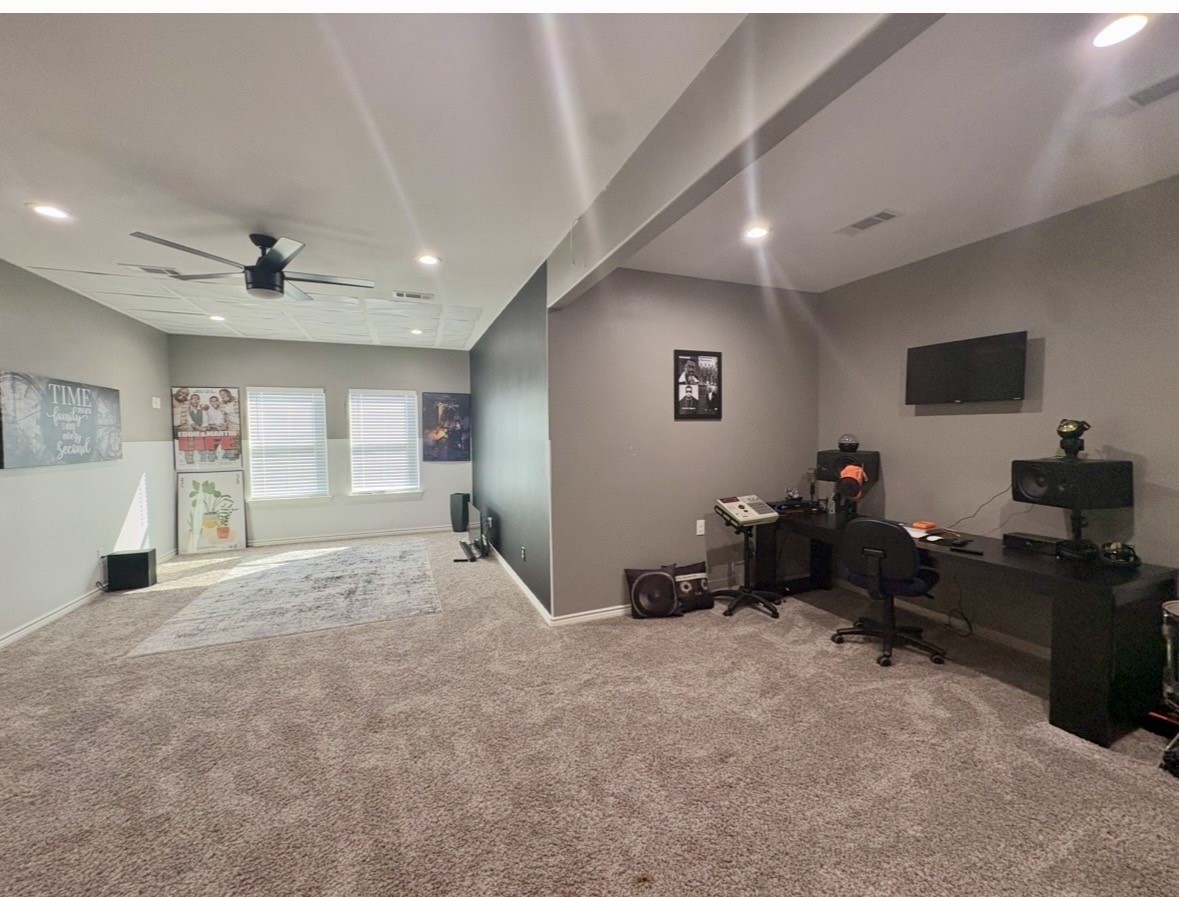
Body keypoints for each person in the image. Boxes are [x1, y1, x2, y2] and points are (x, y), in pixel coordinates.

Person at [218, 389, 240, 462]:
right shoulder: (222, 404)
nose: (222, 396)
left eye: (224, 394)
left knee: (234, 435)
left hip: (242, 423)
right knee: (226, 434)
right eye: (221, 395)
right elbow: (223, 416)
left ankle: (234, 453)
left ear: (229, 393)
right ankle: (229, 452)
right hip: (232, 424)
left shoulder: (238, 400)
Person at [204, 395, 226, 463]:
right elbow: (209, 423)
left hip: (223, 428)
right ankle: (211, 453)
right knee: (215, 436)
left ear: (219, 401)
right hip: (213, 428)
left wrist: (223, 426)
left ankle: (216, 453)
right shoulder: (209, 411)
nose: (214, 403)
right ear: (210, 403)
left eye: (216, 401)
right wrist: (217, 427)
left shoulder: (222, 410)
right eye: (212, 401)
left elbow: (225, 420)